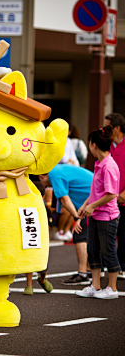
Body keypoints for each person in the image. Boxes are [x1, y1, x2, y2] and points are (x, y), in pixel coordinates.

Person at [76, 125, 121, 299]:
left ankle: (112, 288)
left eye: (89, 143)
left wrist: (92, 206)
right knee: (93, 250)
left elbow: (111, 194)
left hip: (107, 216)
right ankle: (95, 285)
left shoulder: (108, 166)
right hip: (95, 214)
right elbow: (96, 191)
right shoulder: (99, 164)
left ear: (94, 144)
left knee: (107, 250)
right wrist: (85, 204)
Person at [39, 163, 93, 285]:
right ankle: (90, 271)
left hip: (91, 201)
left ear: (41, 177)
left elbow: (64, 198)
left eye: (44, 186)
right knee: (90, 237)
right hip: (92, 198)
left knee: (80, 236)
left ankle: (82, 274)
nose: (46, 188)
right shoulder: (59, 168)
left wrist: (76, 217)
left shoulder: (53, 174)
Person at [23, 181, 53, 295]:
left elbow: (49, 226)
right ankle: (29, 285)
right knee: (29, 262)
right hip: (29, 238)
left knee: (43, 264)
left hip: (42, 240)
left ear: (43, 196)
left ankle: (42, 279)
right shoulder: (26, 208)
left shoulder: (46, 209)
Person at [105, 113, 125, 279]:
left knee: (124, 233)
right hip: (110, 199)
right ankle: (112, 265)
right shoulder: (107, 146)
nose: (106, 129)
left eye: (108, 126)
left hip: (124, 197)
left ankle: (122, 266)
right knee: (110, 233)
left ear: (117, 128)